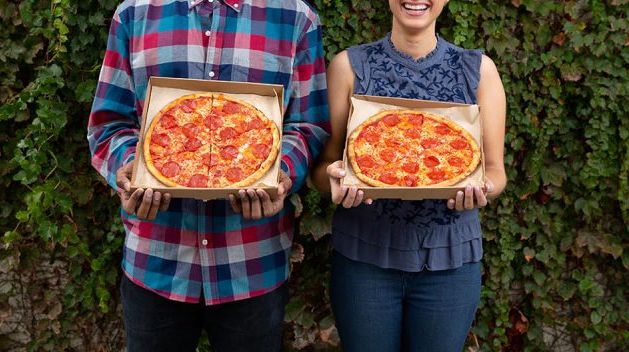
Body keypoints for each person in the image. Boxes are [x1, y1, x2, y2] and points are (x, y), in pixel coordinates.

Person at [87, 0, 329, 351]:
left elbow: (308, 126)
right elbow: (108, 124)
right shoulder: (134, 13)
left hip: (252, 260)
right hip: (157, 258)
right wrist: (132, 169)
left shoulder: (295, 16)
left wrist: (280, 172)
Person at [311, 0, 506, 351]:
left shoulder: (478, 70)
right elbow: (324, 168)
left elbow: (494, 170)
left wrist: (485, 187)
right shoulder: (348, 66)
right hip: (363, 259)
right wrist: (335, 180)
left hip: (450, 261)